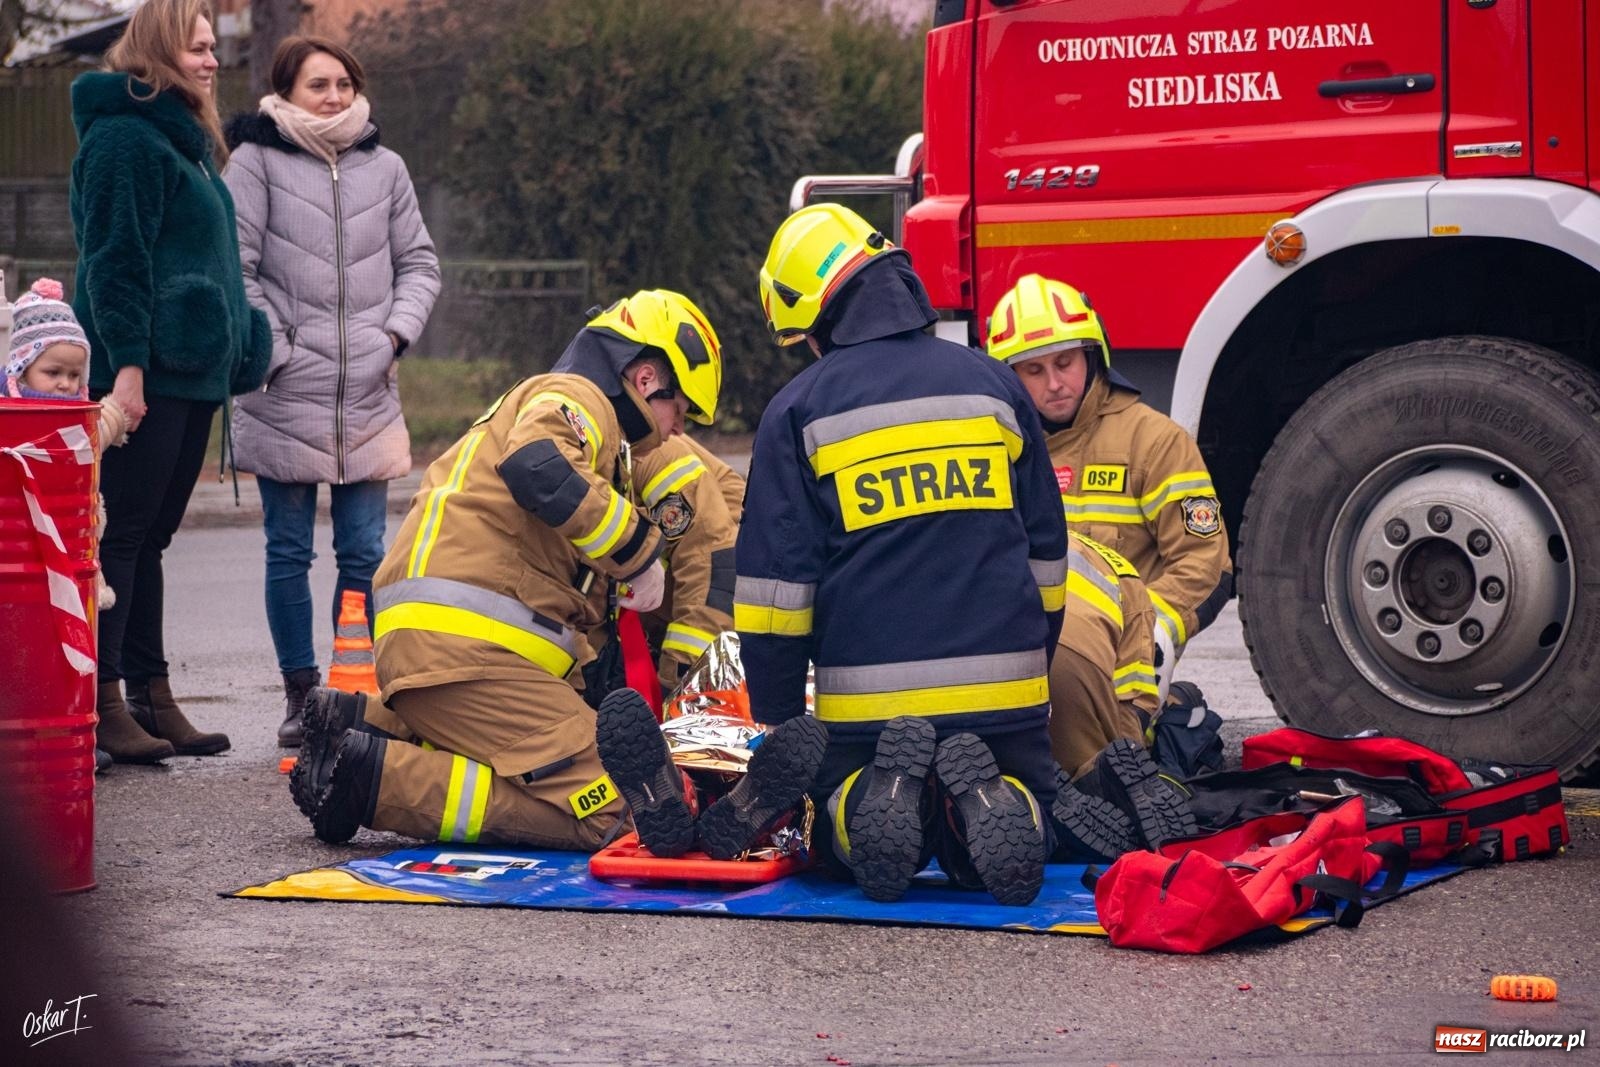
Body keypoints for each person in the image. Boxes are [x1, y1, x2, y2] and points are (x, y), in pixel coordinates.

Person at [290, 290, 729, 852]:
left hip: (445, 648)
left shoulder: (552, 410)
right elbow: (538, 466)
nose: (676, 431)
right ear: (646, 380)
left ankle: (367, 728)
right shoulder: (579, 398)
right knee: (624, 810)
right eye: (681, 409)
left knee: (554, 773)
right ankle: (374, 782)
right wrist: (639, 552)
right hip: (472, 653)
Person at [727, 203, 1078, 904]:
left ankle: (878, 798)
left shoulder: (800, 410)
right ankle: (1001, 803)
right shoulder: (996, 384)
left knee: (837, 837)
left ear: (818, 318)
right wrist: (1031, 661)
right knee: (1036, 817)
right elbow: (1047, 551)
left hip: (871, 710)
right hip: (1008, 695)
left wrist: (780, 727)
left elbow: (774, 597)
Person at [222, 35, 440, 748]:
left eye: (344, 83)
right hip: (284, 392)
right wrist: (277, 353)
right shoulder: (254, 163)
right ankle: (299, 695)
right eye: (320, 85)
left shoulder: (387, 167)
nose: (336, 97)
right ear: (286, 92)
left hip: (369, 395)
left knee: (365, 551)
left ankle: (367, 695)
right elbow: (238, 269)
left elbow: (420, 265)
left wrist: (393, 338)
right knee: (288, 550)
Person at [70, 0, 272, 763]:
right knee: (117, 538)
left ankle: (153, 697)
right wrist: (126, 366)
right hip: (146, 370)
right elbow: (113, 259)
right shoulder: (125, 140)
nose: (213, 60)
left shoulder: (183, 143)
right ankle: (102, 702)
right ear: (160, 49)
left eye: (213, 48)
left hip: (191, 371)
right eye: (198, 48)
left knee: (150, 539)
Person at [986, 274, 1233, 693]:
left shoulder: (1154, 441)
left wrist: (1144, 634)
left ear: (1092, 354)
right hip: (1021, 669)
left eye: (1064, 363)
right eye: (1033, 370)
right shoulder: (995, 450)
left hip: (1121, 677)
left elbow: (1206, 563)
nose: (1054, 384)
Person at [4, 278, 131, 772]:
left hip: (73, 567)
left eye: (75, 376)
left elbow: (103, 424)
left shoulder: (78, 416)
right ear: (20, 368)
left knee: (71, 653)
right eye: (52, 372)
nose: (64, 384)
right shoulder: (13, 417)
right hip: (26, 568)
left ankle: (71, 728)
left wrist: (120, 409)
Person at [627, 433, 742, 691]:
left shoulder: (658, 455)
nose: (678, 427)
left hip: (722, 617)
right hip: (664, 613)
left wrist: (680, 682)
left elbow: (715, 570)